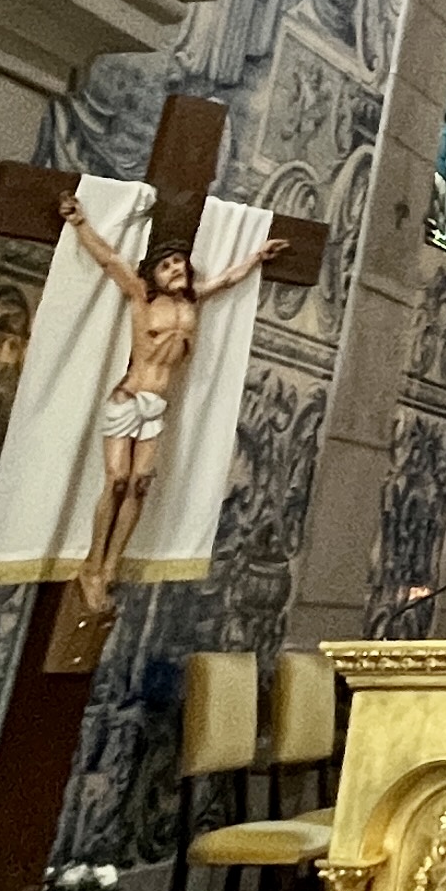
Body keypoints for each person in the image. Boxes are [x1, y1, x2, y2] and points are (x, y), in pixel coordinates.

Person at [56, 193, 286, 614]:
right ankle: (91, 563)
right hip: (128, 397)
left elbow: (227, 280)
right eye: (166, 265)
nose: (176, 268)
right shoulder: (142, 298)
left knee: (140, 484)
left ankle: (110, 567)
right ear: (153, 275)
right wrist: (80, 222)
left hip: (155, 407)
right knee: (117, 479)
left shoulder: (193, 300)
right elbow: (109, 259)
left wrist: (257, 256)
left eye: (179, 262)